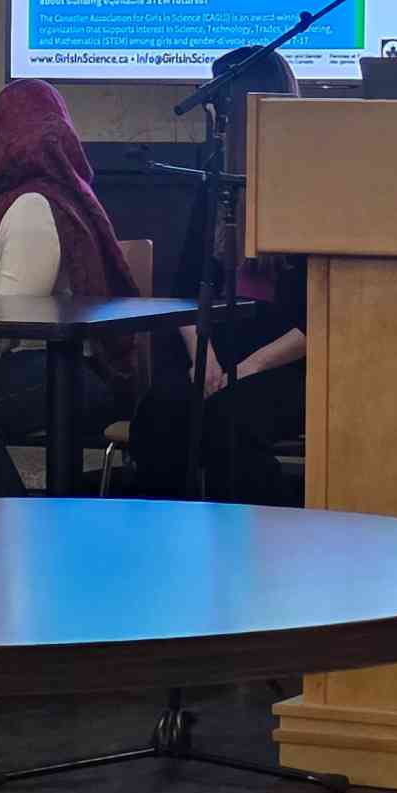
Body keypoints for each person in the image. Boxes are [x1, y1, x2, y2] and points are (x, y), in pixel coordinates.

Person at [128, 47, 308, 506]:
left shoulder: (312, 185)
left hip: (284, 363)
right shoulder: (215, 181)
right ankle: (164, 539)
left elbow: (319, 319)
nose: (210, 115)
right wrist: (204, 357)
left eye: (216, 103)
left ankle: (263, 541)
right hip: (219, 348)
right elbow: (185, 291)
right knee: (161, 411)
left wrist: (248, 368)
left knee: (229, 424)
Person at [0, 79, 140, 497]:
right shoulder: (47, 197)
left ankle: (10, 526)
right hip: (54, 366)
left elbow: (14, 322)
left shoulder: (33, 205)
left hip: (67, 369)